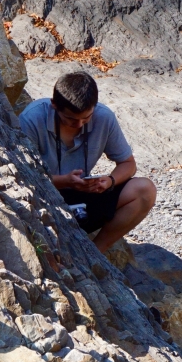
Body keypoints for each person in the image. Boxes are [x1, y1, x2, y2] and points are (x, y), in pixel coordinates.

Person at [19, 71, 156, 252]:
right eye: (70, 119)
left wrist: (109, 181)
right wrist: (63, 181)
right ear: (54, 106)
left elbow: (128, 164)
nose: (79, 125)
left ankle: (96, 252)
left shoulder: (104, 117)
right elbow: (20, 175)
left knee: (145, 190)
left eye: (87, 118)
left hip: (84, 197)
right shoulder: (32, 119)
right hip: (44, 196)